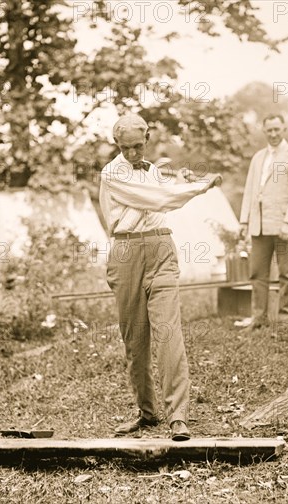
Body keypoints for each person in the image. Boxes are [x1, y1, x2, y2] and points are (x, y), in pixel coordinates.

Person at [99, 114, 222, 441]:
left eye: (138, 146)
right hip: (125, 253)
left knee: (170, 333)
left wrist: (176, 178)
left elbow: (160, 188)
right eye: (126, 149)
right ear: (117, 145)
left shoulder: (152, 170)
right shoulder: (111, 173)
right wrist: (197, 186)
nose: (133, 154)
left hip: (160, 248)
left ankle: (178, 417)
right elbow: (157, 198)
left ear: (148, 138)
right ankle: (147, 411)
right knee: (135, 340)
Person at [239, 114, 288, 329]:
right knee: (258, 273)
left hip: (283, 226)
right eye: (269, 130)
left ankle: (285, 319)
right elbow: (250, 191)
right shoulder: (258, 158)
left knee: (286, 274)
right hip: (259, 226)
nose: (273, 134)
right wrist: (244, 222)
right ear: (264, 131)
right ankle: (259, 318)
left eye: (277, 129)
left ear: (284, 129)